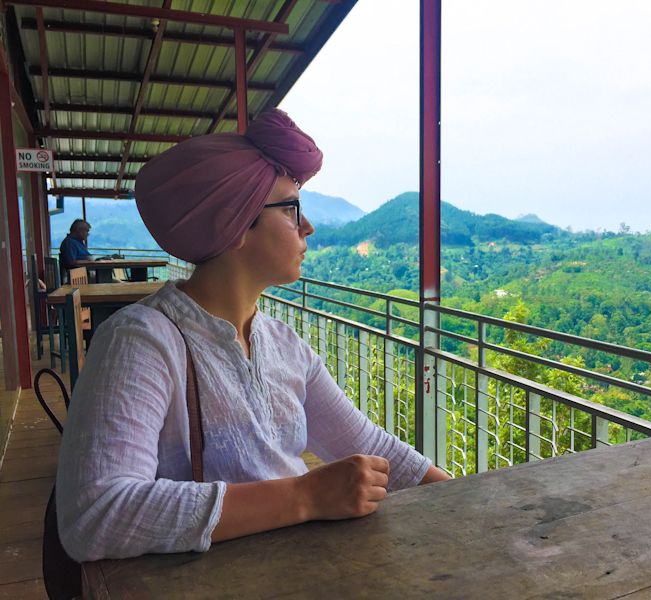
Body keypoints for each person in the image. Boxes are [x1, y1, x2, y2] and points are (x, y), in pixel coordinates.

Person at [56, 109, 450, 563]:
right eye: (291, 209)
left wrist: (468, 499)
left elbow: (371, 447)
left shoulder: (283, 345)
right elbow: (95, 514)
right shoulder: (140, 342)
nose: (308, 227)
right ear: (237, 222)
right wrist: (303, 497)